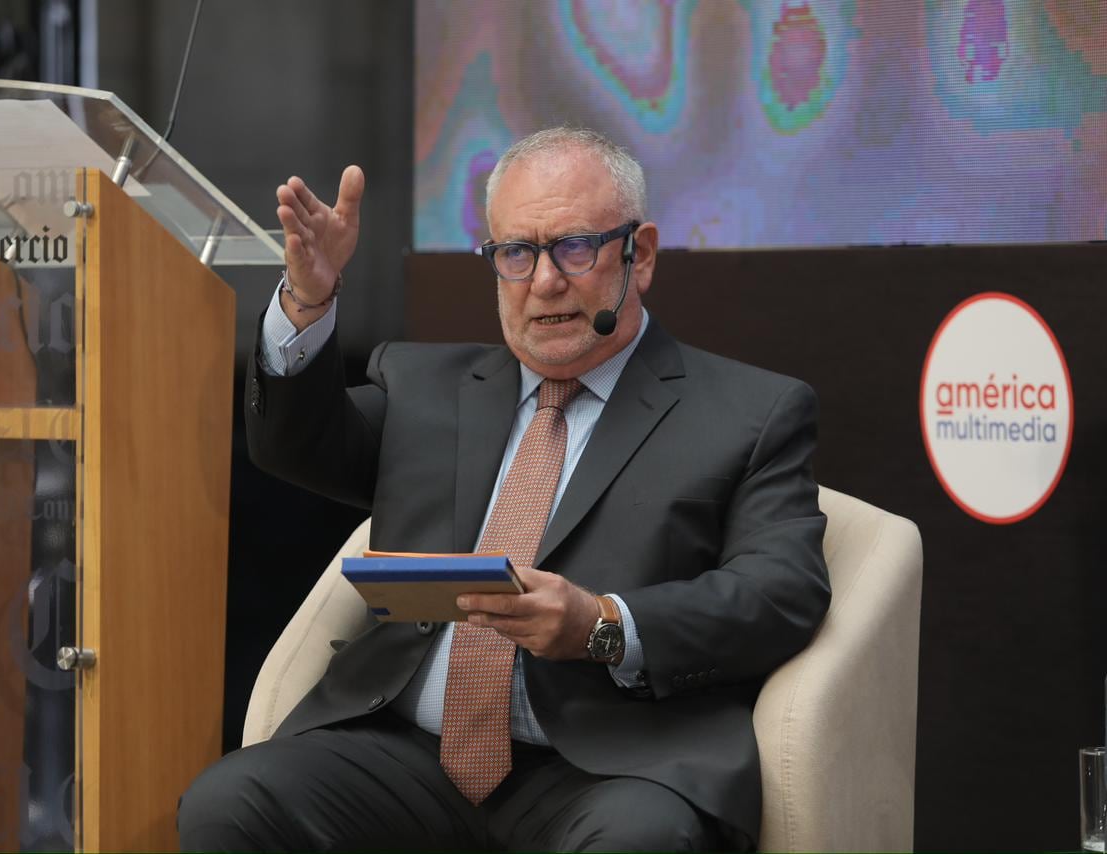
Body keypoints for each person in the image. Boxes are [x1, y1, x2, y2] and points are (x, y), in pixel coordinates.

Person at [178, 127, 830, 852]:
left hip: (608, 767)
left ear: (639, 254)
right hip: (405, 755)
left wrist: (603, 625)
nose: (544, 281)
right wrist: (308, 299)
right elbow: (294, 445)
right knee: (228, 803)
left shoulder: (748, 414)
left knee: (639, 841)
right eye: (517, 252)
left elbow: (781, 592)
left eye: (575, 248)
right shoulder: (424, 387)